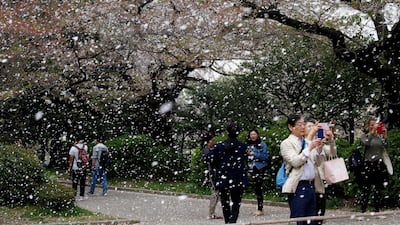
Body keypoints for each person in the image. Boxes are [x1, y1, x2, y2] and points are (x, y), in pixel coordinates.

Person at [280, 113, 321, 225]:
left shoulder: (307, 142)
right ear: (290, 127)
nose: (303, 127)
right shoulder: (287, 143)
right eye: (299, 124)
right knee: (299, 219)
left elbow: (316, 161)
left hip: (310, 185)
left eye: (304, 124)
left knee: (312, 220)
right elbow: (296, 161)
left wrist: (319, 148)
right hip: (297, 186)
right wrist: (310, 148)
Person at [206, 122, 248, 224]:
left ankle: (228, 221)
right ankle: (232, 221)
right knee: (236, 202)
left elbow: (210, 159)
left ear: (227, 132)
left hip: (223, 177)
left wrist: (219, 168)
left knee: (225, 202)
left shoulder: (219, 147)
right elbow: (244, 160)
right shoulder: (242, 147)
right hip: (238, 177)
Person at [304, 118, 337, 225]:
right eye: (309, 126)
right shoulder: (302, 144)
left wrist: (331, 139)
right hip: (306, 183)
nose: (312, 128)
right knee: (307, 215)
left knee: (320, 212)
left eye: (314, 126)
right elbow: (309, 161)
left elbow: (333, 154)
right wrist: (316, 148)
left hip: (320, 183)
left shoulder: (321, 144)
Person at [359, 117, 393, 213]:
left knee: (378, 187)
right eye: (372, 125)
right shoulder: (364, 136)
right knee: (366, 187)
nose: (374, 126)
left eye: (375, 124)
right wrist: (371, 134)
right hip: (368, 163)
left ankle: (376, 207)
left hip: (379, 163)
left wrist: (385, 135)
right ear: (368, 126)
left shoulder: (379, 137)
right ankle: (363, 208)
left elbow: (386, 146)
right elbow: (366, 143)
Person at [246, 128, 269, 216]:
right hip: (252, 168)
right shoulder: (248, 145)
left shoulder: (262, 144)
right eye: (251, 134)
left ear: (257, 135)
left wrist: (254, 154)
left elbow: (265, 156)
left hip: (260, 168)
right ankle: (259, 207)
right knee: (256, 188)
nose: (253, 136)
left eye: (254, 134)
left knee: (258, 188)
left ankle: (260, 208)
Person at [202, 133, 223, 220]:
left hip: (216, 174)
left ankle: (213, 212)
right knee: (215, 193)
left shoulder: (212, 149)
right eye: (212, 140)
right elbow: (209, 159)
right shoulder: (207, 150)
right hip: (212, 175)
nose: (214, 142)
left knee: (217, 194)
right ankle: (211, 213)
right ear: (208, 141)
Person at [68, 136, 89, 201]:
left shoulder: (73, 148)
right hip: (83, 167)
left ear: (76, 140)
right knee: (82, 182)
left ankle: (74, 196)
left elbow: (71, 159)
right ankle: (81, 196)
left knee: (75, 182)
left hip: (75, 167)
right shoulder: (85, 147)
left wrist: (70, 167)